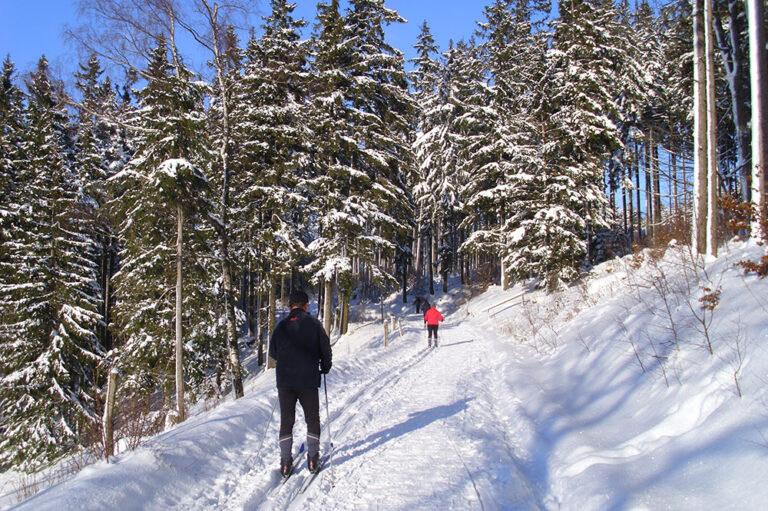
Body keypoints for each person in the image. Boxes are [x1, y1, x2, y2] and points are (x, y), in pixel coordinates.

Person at [269, 289, 332, 477]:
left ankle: (285, 461)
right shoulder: (314, 324)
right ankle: (313, 458)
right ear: (305, 306)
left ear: (290, 306)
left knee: (287, 420)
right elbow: (325, 349)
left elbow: (273, 353)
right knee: (312, 418)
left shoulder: (281, 327)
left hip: (285, 380)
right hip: (308, 379)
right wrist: (325, 366)